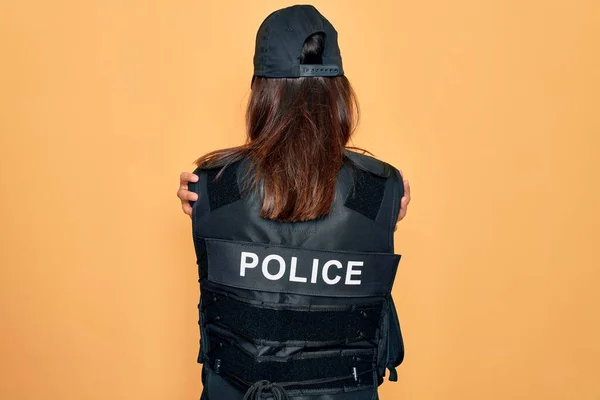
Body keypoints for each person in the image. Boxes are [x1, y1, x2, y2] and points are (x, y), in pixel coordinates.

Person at [176, 5, 411, 400]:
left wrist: (205, 199)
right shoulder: (380, 190)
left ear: (260, 93)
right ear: (339, 93)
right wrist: (386, 211)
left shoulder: (212, 186)